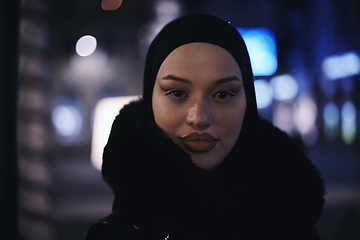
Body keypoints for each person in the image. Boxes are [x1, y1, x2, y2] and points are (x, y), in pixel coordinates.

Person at [86, 14, 325, 240]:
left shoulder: (293, 217)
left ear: (249, 102)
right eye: (177, 93)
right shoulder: (122, 233)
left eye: (222, 94)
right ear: (150, 99)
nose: (199, 117)